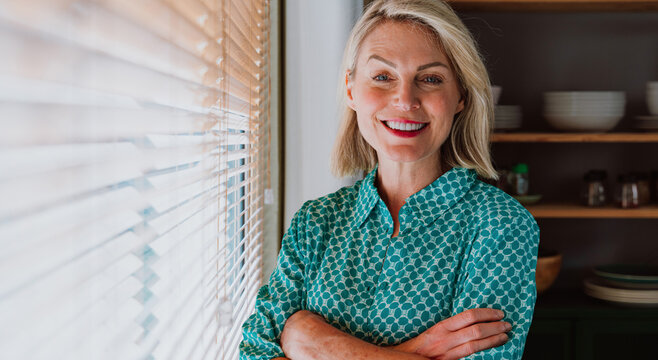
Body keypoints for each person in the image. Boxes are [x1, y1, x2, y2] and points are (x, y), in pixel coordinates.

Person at [240, 0, 540, 359]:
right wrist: (416, 351)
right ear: (351, 89)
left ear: (460, 95)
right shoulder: (314, 222)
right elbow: (254, 352)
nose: (404, 100)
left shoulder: (500, 226)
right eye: (382, 76)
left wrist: (312, 341)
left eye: (430, 79)